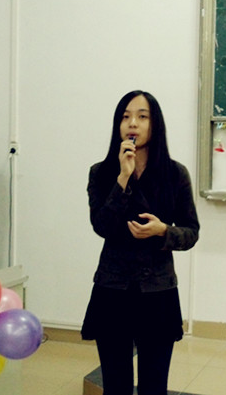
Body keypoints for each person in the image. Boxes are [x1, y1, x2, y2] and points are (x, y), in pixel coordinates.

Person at [81, 90, 200, 395]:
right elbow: (102, 226)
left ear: (154, 124)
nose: (132, 123)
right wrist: (122, 179)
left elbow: (191, 232)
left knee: (154, 385)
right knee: (116, 384)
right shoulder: (102, 173)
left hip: (157, 289)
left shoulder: (174, 174)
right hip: (113, 287)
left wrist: (163, 231)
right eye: (125, 117)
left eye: (142, 116)